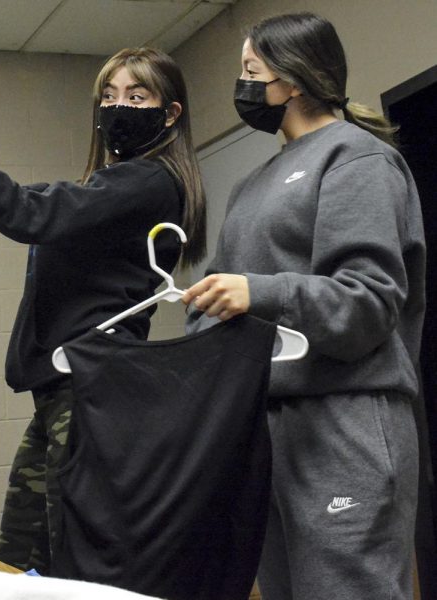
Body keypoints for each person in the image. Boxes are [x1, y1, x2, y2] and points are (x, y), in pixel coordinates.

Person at [0, 47, 206, 574]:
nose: (118, 107)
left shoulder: (148, 182)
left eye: (137, 96)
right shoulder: (114, 186)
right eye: (108, 96)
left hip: (94, 387)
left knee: (73, 558)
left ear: (170, 112)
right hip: (63, 389)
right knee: (22, 558)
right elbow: (33, 203)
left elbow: (24, 213)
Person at [181, 12, 425, 600]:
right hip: (266, 430)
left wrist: (257, 291)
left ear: (291, 80)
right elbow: (218, 294)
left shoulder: (356, 157)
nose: (241, 85)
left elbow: (367, 303)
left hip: (345, 423)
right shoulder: (250, 186)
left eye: (250, 70)